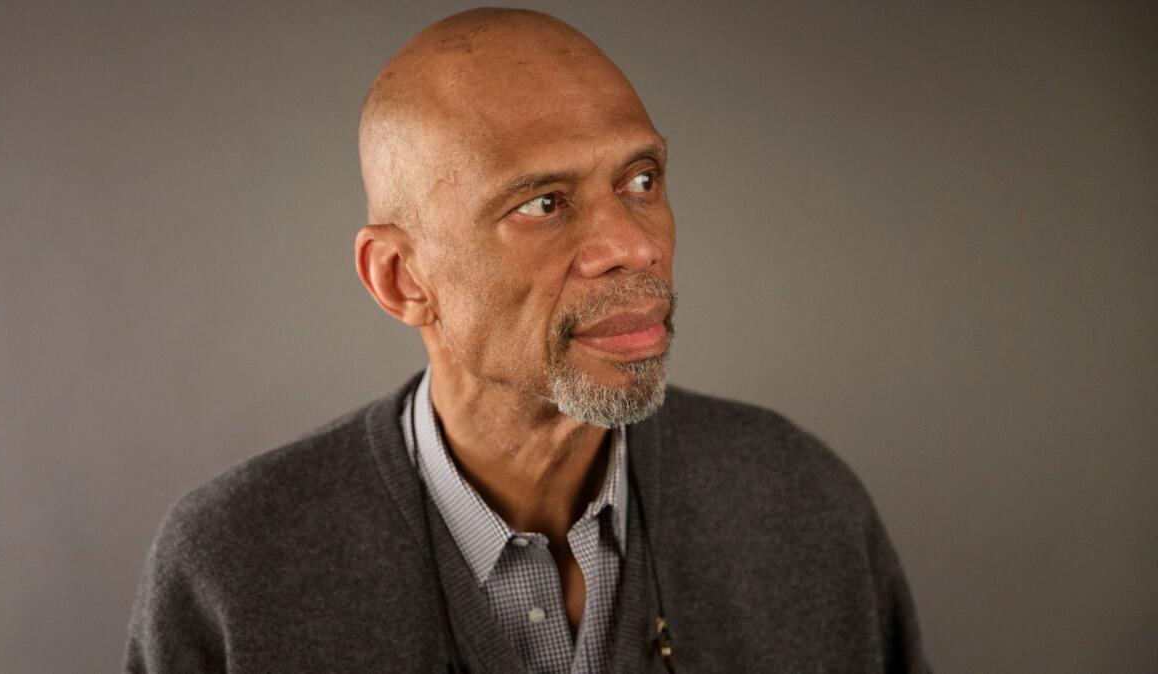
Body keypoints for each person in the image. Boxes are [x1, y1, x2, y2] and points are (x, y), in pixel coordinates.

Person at [124, 8, 929, 673]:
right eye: (543, 203)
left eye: (641, 180)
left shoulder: (799, 506)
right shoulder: (236, 568)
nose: (634, 245)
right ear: (401, 279)